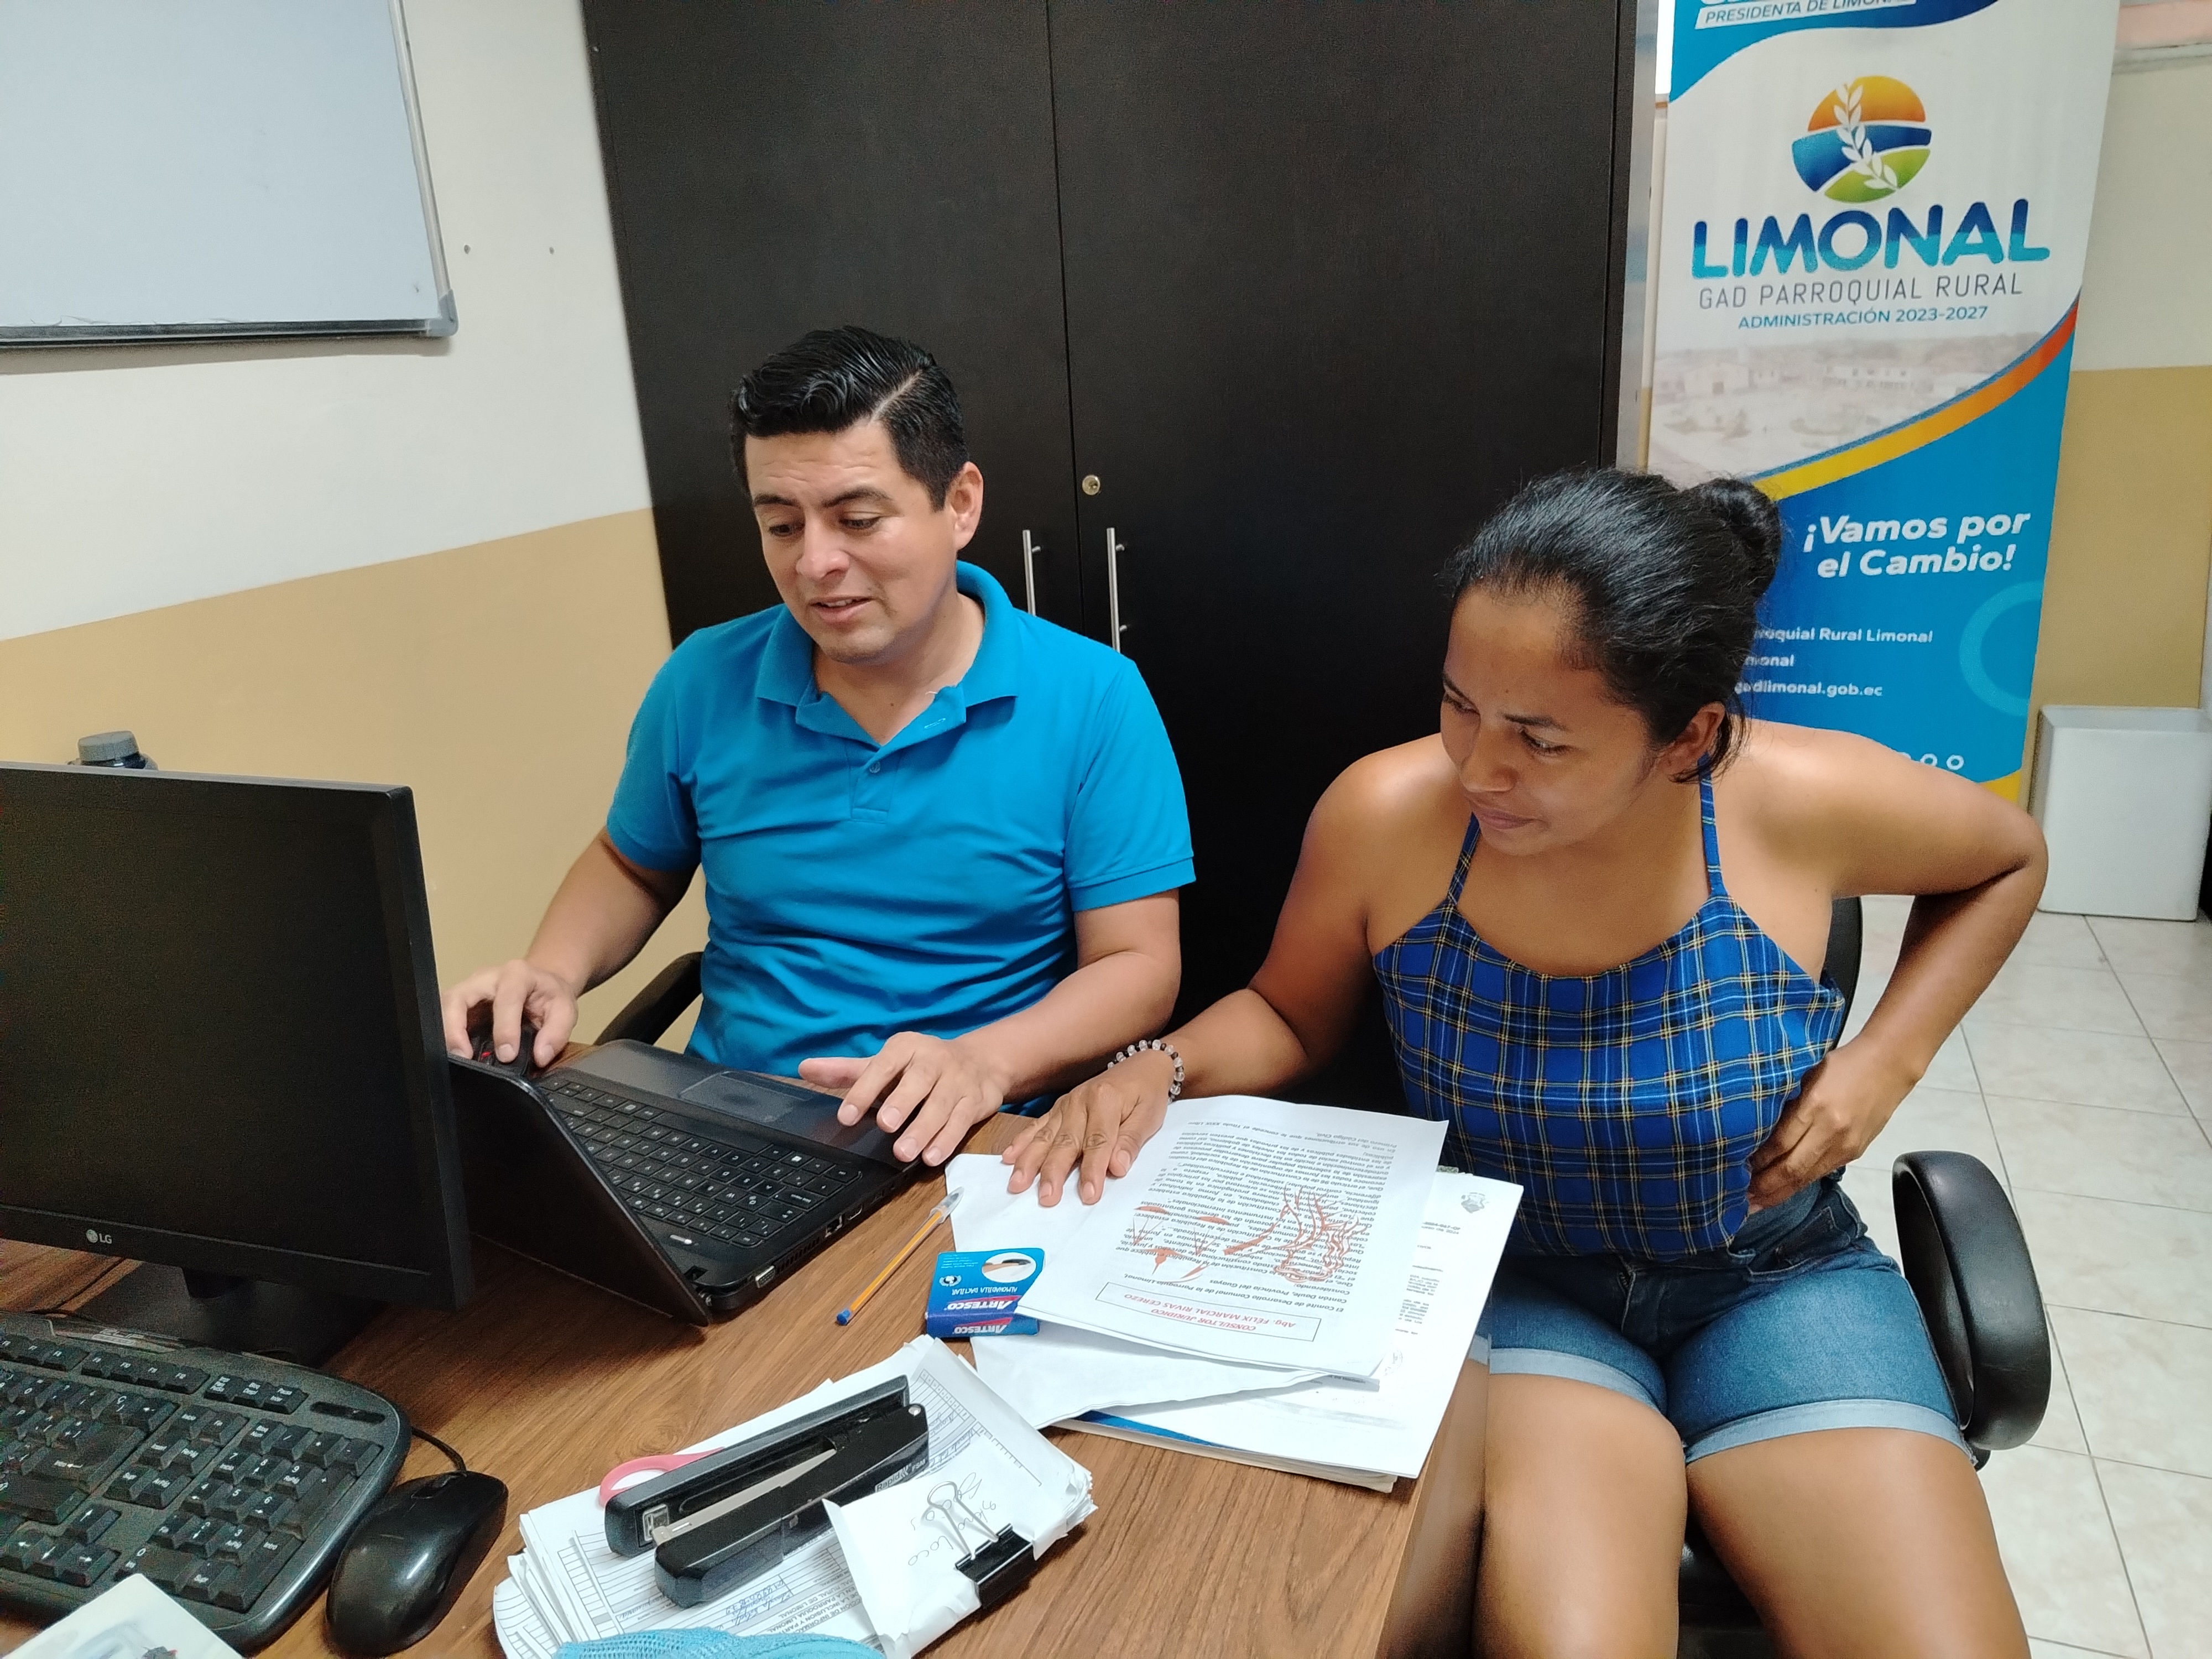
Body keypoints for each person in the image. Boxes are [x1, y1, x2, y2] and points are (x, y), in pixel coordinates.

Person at [1008, 468, 2043, 1654]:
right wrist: (1160, 1064)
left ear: (1689, 736)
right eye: (1460, 706)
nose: (1478, 768)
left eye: (1540, 741)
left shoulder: (1801, 799)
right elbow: (1290, 1016)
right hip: (1517, 1279)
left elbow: (2007, 859)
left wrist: (1886, 1060)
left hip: (1775, 1277)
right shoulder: (1386, 814)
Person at [444, 326, 1192, 1166]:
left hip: (974, 1137)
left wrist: (987, 1062)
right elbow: (632, 864)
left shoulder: (1093, 698)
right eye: (781, 525)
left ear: (960, 504)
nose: (816, 563)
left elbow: (1137, 964)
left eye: (857, 520)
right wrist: (552, 971)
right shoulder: (703, 680)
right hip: (730, 1124)